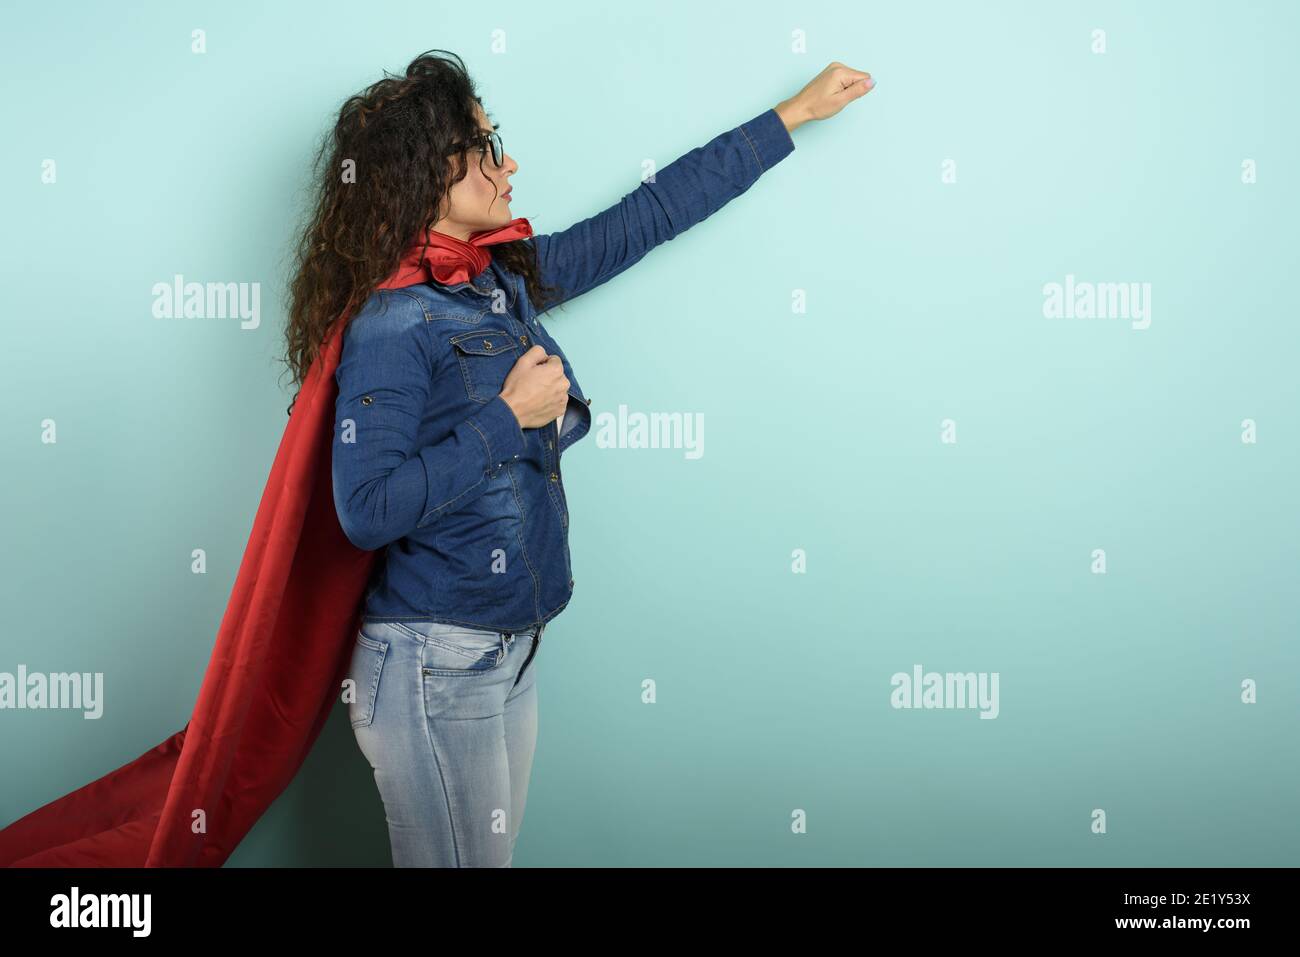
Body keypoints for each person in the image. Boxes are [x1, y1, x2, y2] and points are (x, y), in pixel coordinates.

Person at [290, 49, 874, 866]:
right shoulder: (393, 325)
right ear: (430, 170)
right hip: (434, 667)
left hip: (512, 650)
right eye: (488, 147)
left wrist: (791, 116)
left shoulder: (495, 279)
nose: (509, 161)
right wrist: (505, 418)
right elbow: (367, 509)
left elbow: (644, 219)